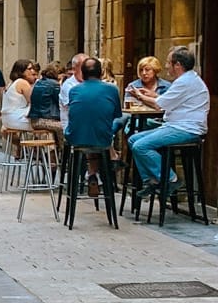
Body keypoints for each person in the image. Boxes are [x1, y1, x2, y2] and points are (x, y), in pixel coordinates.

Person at [127, 46, 211, 196]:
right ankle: (152, 180)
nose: (166, 66)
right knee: (133, 139)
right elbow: (165, 100)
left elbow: (159, 104)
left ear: (177, 65)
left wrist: (139, 95)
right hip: (176, 126)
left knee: (140, 146)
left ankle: (171, 179)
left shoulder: (184, 82)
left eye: (168, 63)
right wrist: (151, 94)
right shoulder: (188, 79)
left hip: (186, 129)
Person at [65, 56, 123, 197]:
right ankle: (109, 161)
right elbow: (117, 114)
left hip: (75, 137)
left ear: (83, 74)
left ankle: (92, 175)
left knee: (91, 131)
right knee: (103, 130)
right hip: (102, 138)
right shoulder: (112, 89)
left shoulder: (74, 91)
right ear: (101, 73)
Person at [1, 59, 36, 132]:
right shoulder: (22, 82)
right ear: (21, 70)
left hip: (7, 120)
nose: (33, 71)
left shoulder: (11, 83)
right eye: (29, 69)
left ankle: (21, 143)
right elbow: (33, 101)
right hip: (18, 119)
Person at [58, 52, 86, 126]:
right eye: (84, 68)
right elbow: (75, 107)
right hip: (73, 127)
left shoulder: (90, 82)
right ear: (74, 69)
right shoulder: (68, 85)